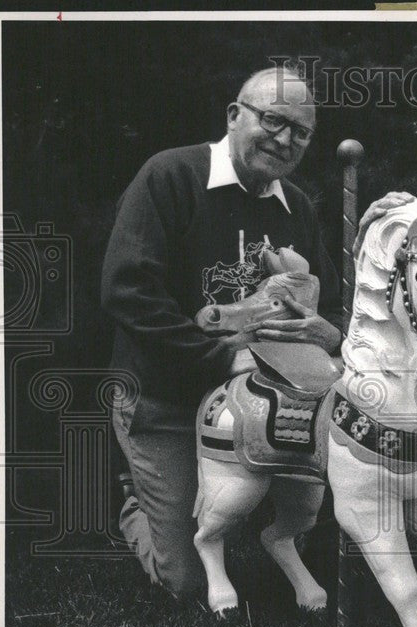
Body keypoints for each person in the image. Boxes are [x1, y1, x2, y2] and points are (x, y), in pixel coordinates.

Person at [102, 67, 344, 598]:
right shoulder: (169, 176)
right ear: (235, 116)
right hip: (163, 397)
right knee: (185, 581)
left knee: (315, 519)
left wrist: (332, 334)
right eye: (273, 120)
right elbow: (127, 290)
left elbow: (328, 306)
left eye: (300, 132)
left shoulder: (297, 207)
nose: (285, 140)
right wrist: (218, 358)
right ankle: (137, 496)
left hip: (263, 408)